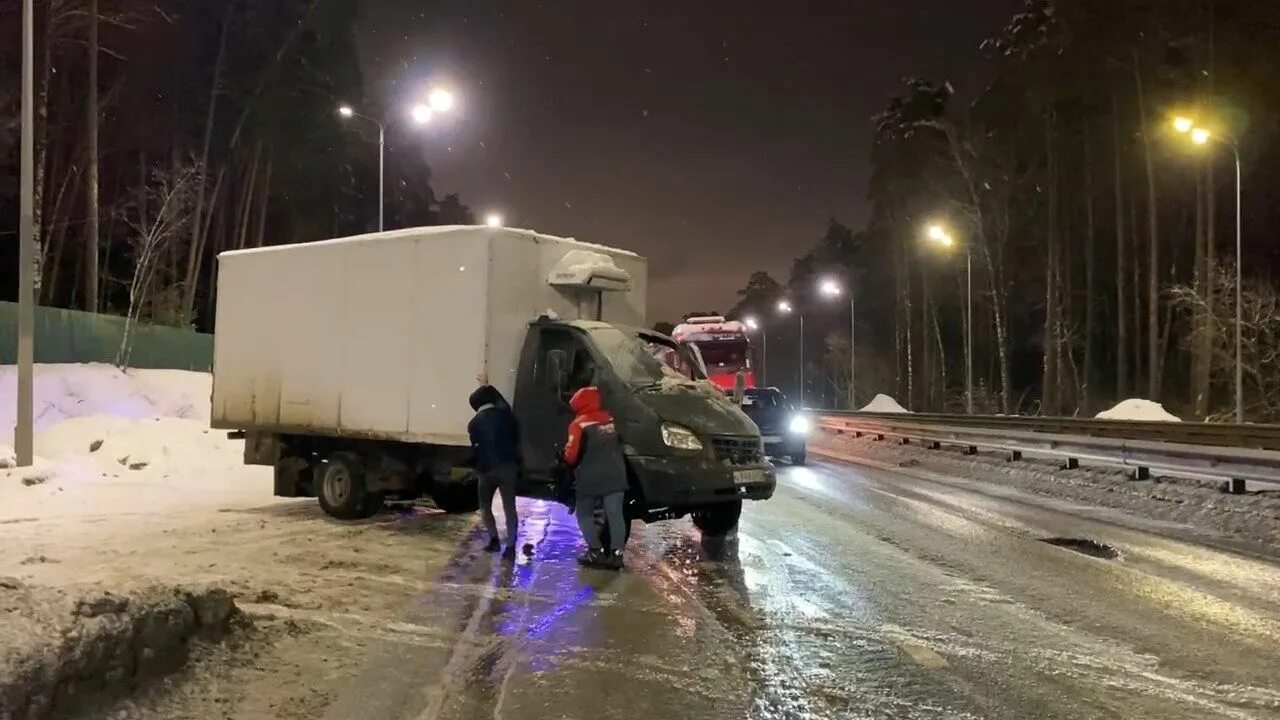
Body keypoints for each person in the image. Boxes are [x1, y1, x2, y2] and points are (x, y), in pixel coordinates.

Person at [563, 386, 628, 570]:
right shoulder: (611, 418)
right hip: (616, 474)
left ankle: (595, 553)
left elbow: (571, 455)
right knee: (616, 515)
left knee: (584, 514)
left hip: (590, 478)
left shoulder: (579, 424)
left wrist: (564, 456)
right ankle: (617, 556)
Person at [467, 385, 520, 559]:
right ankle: (511, 548)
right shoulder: (506, 415)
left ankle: (494, 540)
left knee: (485, 506)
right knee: (509, 507)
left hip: (486, 470)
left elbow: (476, 450)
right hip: (508, 467)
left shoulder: (474, 424)